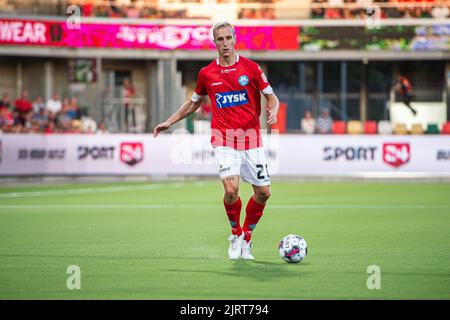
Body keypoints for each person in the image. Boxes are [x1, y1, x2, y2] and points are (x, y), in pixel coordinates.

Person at [153, 21, 279, 260]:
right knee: (231, 190)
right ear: (215, 42)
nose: (225, 43)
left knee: (263, 193)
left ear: (235, 39)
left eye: (228, 38)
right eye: (219, 39)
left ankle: (247, 237)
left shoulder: (251, 68)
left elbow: (272, 98)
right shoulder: (207, 74)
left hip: (251, 138)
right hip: (224, 138)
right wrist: (169, 122)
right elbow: (193, 103)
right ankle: (235, 233)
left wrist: (273, 110)